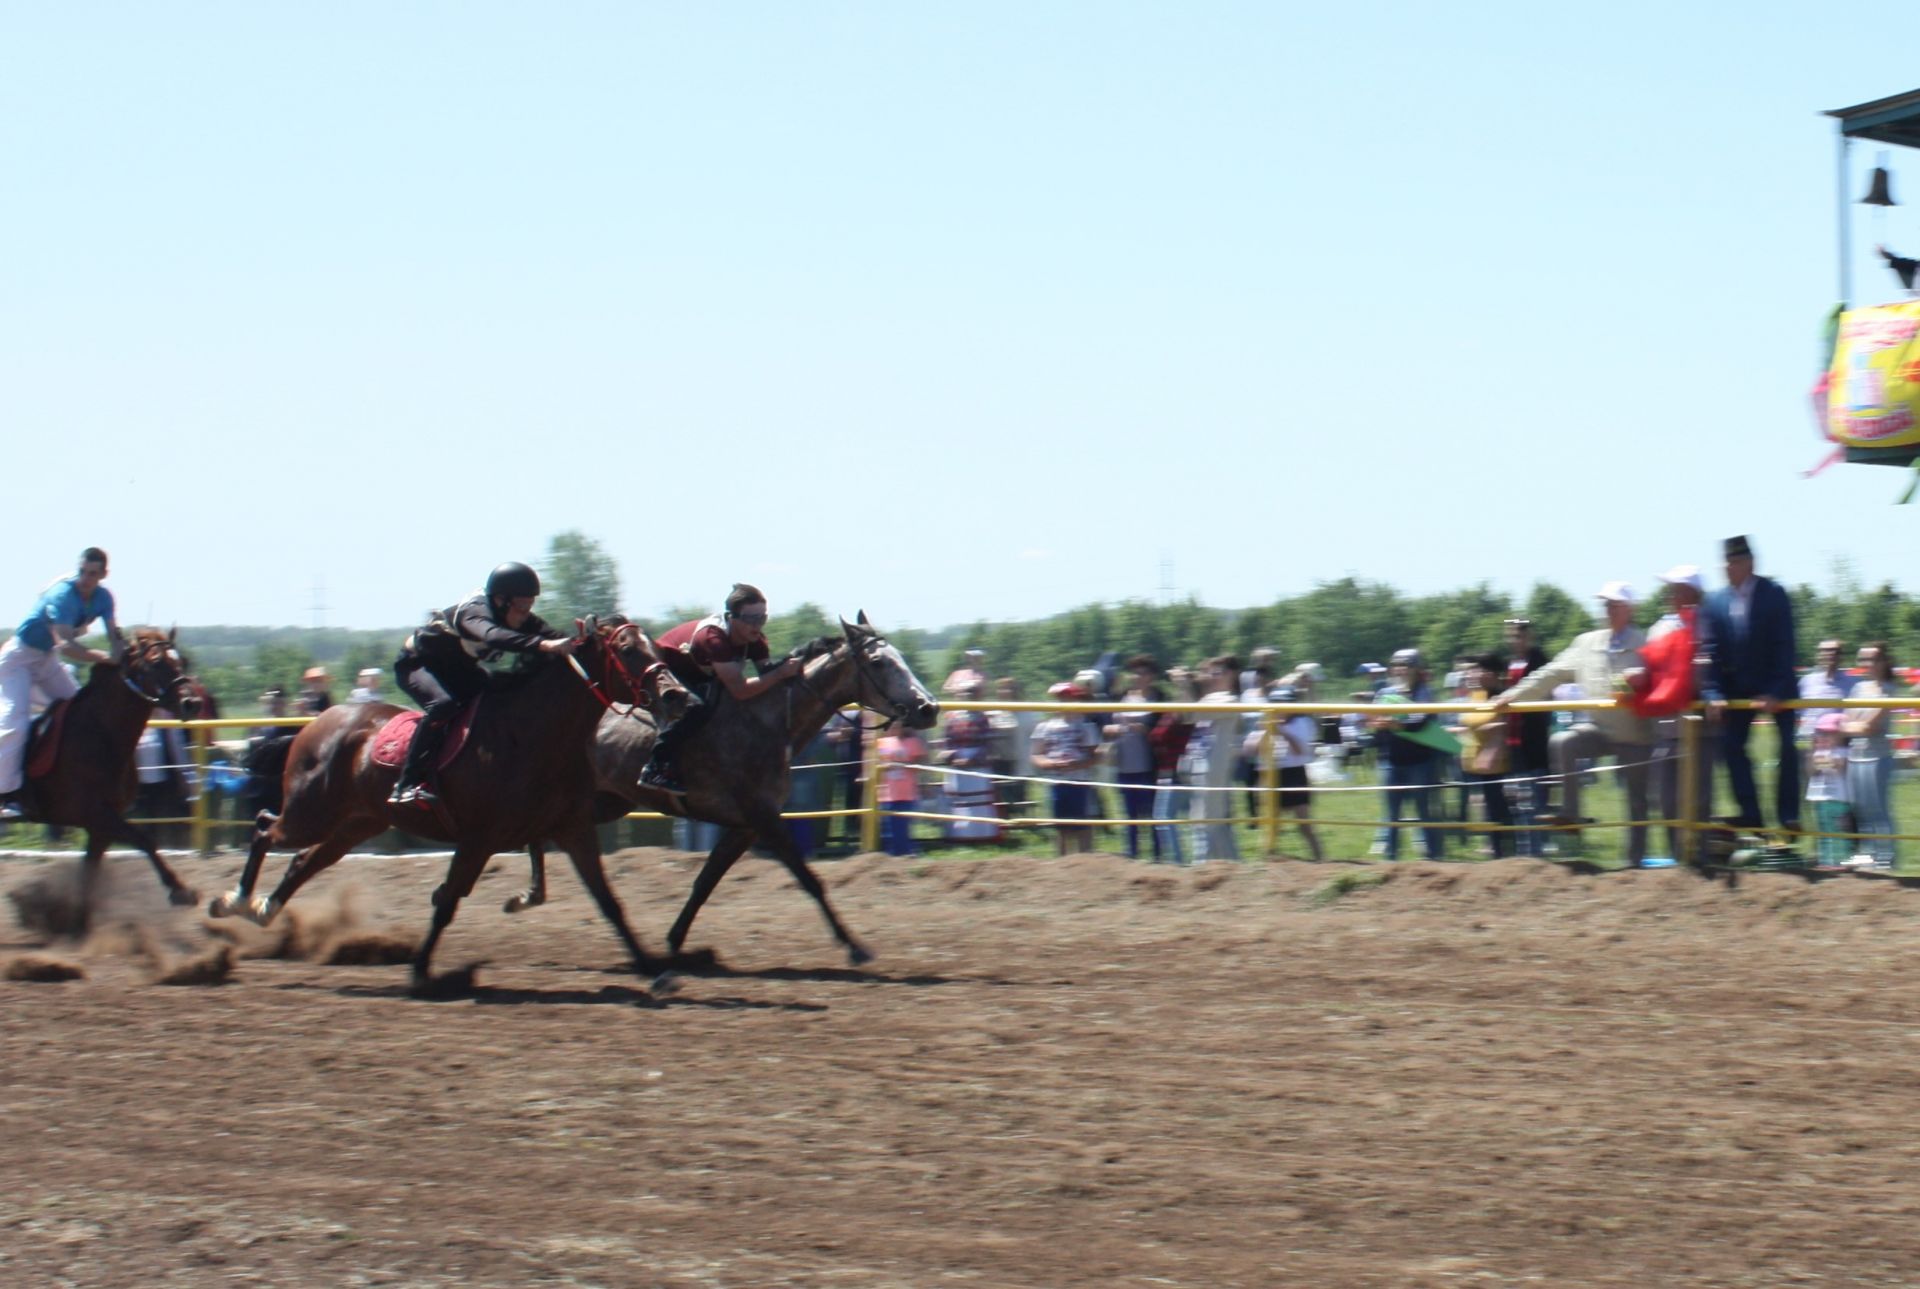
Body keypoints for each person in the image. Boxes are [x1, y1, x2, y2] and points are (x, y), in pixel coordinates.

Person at [388, 561, 577, 808]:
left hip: (457, 670)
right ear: (501, 600)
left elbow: (554, 636)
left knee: (503, 696)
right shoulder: (474, 612)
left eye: (530, 606)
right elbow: (492, 635)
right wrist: (542, 645)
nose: (526, 614)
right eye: (522, 606)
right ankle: (406, 784)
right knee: (444, 705)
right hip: (417, 665)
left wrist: (584, 641)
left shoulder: (513, 614)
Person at [1494, 582, 1654, 867]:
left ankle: (1635, 865)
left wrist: (1642, 679)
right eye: (1605, 605)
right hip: (1599, 729)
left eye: (1615, 605)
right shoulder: (1586, 643)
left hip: (1636, 733)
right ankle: (1570, 813)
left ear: (1630, 609)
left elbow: (1660, 680)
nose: (1608, 610)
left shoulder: (1645, 644)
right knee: (1563, 741)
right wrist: (1510, 695)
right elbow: (1549, 674)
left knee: (1637, 801)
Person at [640, 583, 805, 796]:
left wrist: (787, 669)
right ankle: (656, 765)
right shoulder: (714, 639)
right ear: (732, 617)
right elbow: (740, 690)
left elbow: (767, 675)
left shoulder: (755, 640)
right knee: (698, 708)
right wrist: (780, 673)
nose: (758, 625)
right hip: (668, 670)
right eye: (751, 619)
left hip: (700, 673)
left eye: (762, 618)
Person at [0, 547, 120, 820]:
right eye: (82, 572)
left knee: (81, 712)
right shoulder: (62, 596)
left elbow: (114, 635)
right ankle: (6, 796)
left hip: (45, 661)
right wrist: (105, 658)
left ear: (103, 574)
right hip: (18, 660)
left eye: (92, 574)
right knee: (15, 723)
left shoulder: (104, 597)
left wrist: (120, 653)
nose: (86, 579)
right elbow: (65, 645)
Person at [1701, 536, 1801, 833]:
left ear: (1750, 563)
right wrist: (1713, 693)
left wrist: (1775, 691)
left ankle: (1787, 817)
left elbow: (1785, 646)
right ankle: (1751, 813)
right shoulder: (1715, 602)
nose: (1728, 568)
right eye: (1726, 563)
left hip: (1776, 685)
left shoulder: (1774, 594)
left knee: (1787, 747)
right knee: (1730, 746)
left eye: (1734, 562)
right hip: (1737, 689)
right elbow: (1711, 653)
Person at [1626, 565, 1710, 862]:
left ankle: (1701, 858)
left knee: (1698, 799)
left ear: (1692, 593)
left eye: (1676, 588)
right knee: (1666, 801)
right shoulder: (1659, 629)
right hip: (1664, 728)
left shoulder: (1708, 624)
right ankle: (1679, 859)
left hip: (1698, 728)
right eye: (1670, 588)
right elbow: (1651, 668)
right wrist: (1638, 677)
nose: (1670, 594)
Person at [1370, 648, 1447, 861]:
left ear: (1416, 669)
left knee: (1425, 811)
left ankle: (1433, 857)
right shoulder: (1384, 693)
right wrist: (1383, 722)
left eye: (1406, 665)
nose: (1401, 669)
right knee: (1392, 813)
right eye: (1397, 665)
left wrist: (1396, 723)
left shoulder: (1425, 692)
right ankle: (1390, 859)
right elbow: (1374, 721)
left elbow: (1420, 722)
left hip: (1420, 761)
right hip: (1391, 759)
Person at [1030, 681, 1102, 855]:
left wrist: (1078, 764)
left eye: (1067, 698)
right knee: (1061, 826)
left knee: (1082, 824)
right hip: (1057, 781)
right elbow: (1036, 755)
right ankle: (1062, 862)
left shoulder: (1086, 726)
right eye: (1059, 698)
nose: (1063, 702)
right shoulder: (1045, 727)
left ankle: (1086, 858)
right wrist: (1051, 764)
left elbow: (1096, 755)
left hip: (1080, 781)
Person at [1105, 654, 1165, 860]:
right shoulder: (1121, 696)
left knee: (1153, 815)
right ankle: (1132, 855)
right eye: (1134, 672)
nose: (1137, 677)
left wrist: (1145, 729)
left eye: (1142, 673)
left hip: (1149, 765)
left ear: (1152, 676)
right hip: (1124, 764)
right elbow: (1104, 723)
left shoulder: (1159, 698)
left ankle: (1158, 856)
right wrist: (1112, 729)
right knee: (1130, 815)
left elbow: (1165, 728)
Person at [1845, 642, 1900, 869]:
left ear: (1883, 661)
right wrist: (1854, 726)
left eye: (1872, 659)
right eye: (1863, 659)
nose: (1867, 664)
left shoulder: (1888, 689)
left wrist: (1853, 725)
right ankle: (1868, 853)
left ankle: (1886, 856)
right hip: (1855, 755)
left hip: (1877, 757)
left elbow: (1871, 727)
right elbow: (1845, 722)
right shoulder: (1858, 688)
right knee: (1860, 807)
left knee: (1878, 808)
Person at [1455, 654, 1515, 858]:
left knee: (1497, 806)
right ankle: (1494, 846)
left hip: (1495, 762)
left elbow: (1504, 724)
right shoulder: (1476, 695)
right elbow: (1467, 722)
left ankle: (1502, 850)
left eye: (1476, 669)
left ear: (1491, 673)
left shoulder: (1501, 696)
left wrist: (1488, 734)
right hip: (1473, 759)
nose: (1470, 674)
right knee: (1484, 804)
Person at [1501, 618, 1552, 856]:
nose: (1515, 641)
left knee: (1534, 799)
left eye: (1519, 636)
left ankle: (1536, 853)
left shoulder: (1539, 661)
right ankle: (1524, 852)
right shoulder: (1510, 663)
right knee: (1517, 799)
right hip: (1513, 741)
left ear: (1529, 636)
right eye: (1511, 636)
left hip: (1533, 739)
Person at [1269, 682, 1324, 862]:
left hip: (1295, 773)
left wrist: (1281, 733)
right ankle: (1269, 856)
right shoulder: (1269, 721)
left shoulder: (1302, 723)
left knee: (1303, 823)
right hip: (1275, 772)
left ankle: (1320, 858)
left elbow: (1300, 751)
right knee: (1272, 821)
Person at [1805, 714, 1852, 867]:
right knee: (1823, 830)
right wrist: (1813, 753)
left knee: (1838, 830)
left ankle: (1839, 860)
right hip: (1820, 797)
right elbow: (1811, 771)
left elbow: (1839, 766)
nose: (1825, 736)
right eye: (1822, 733)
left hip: (1837, 798)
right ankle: (1826, 860)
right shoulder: (1818, 751)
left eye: (1830, 733)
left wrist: (1823, 758)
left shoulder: (1844, 751)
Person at [874, 725, 927, 856]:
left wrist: (905, 764)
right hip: (887, 793)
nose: (894, 729)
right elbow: (876, 764)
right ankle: (891, 854)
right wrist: (886, 766)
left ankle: (905, 852)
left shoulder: (912, 742)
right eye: (892, 726)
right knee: (888, 828)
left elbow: (919, 764)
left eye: (897, 726)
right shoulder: (882, 742)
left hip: (906, 792)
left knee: (902, 826)